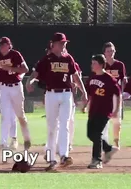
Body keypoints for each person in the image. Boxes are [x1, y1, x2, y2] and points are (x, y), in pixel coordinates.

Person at [26, 33, 87, 171]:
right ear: (53, 44)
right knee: (52, 127)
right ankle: (52, 158)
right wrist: (29, 81)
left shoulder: (68, 58)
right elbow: (35, 73)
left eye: (64, 42)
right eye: (61, 42)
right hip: (51, 94)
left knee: (65, 124)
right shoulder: (46, 59)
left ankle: (64, 156)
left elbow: (75, 76)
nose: (64, 44)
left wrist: (84, 91)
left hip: (66, 94)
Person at [0, 36, 31, 150]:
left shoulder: (15, 55)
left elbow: (25, 69)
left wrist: (11, 69)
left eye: (4, 45)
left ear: (9, 46)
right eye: (0, 45)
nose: (2, 47)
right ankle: (3, 141)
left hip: (15, 86)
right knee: (5, 115)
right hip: (3, 87)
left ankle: (21, 138)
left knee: (18, 114)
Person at [85, 54, 121, 169]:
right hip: (93, 110)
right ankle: (108, 148)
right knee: (90, 134)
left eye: (94, 63)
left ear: (101, 64)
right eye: (92, 63)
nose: (92, 65)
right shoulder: (92, 77)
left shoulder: (109, 78)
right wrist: (85, 104)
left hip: (104, 111)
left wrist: (116, 110)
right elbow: (90, 93)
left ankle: (97, 160)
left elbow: (118, 94)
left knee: (97, 134)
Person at [102, 42, 126, 148]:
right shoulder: (102, 65)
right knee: (103, 119)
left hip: (116, 95)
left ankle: (116, 140)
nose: (110, 53)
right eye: (108, 51)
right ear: (104, 53)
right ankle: (104, 142)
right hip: (104, 96)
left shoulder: (119, 65)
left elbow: (123, 80)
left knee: (117, 120)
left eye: (112, 50)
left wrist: (122, 92)